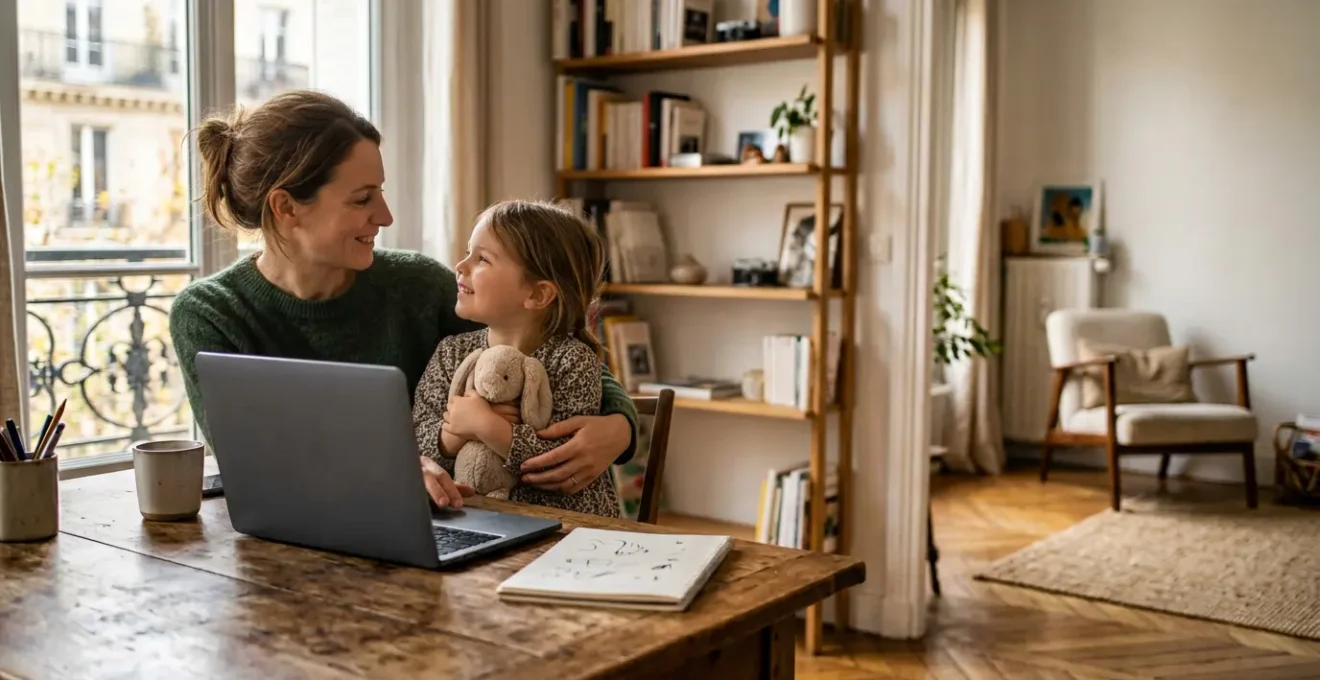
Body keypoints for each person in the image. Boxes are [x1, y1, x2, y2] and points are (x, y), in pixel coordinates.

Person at [168, 90, 638, 510]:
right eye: (362, 199)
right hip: (299, 537)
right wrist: (388, 472)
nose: (386, 215)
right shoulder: (210, 313)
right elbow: (252, 461)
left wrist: (620, 424)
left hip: (440, 525)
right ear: (287, 207)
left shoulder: (418, 285)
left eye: (382, 192)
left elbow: (551, 347)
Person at [412, 200, 619, 517]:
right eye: (468, 253)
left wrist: (486, 426)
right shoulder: (451, 352)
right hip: (470, 519)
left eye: (482, 259)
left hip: (562, 530)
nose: (461, 266)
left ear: (537, 294)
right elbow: (415, 442)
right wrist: (451, 434)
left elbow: (562, 464)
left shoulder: (573, 361)